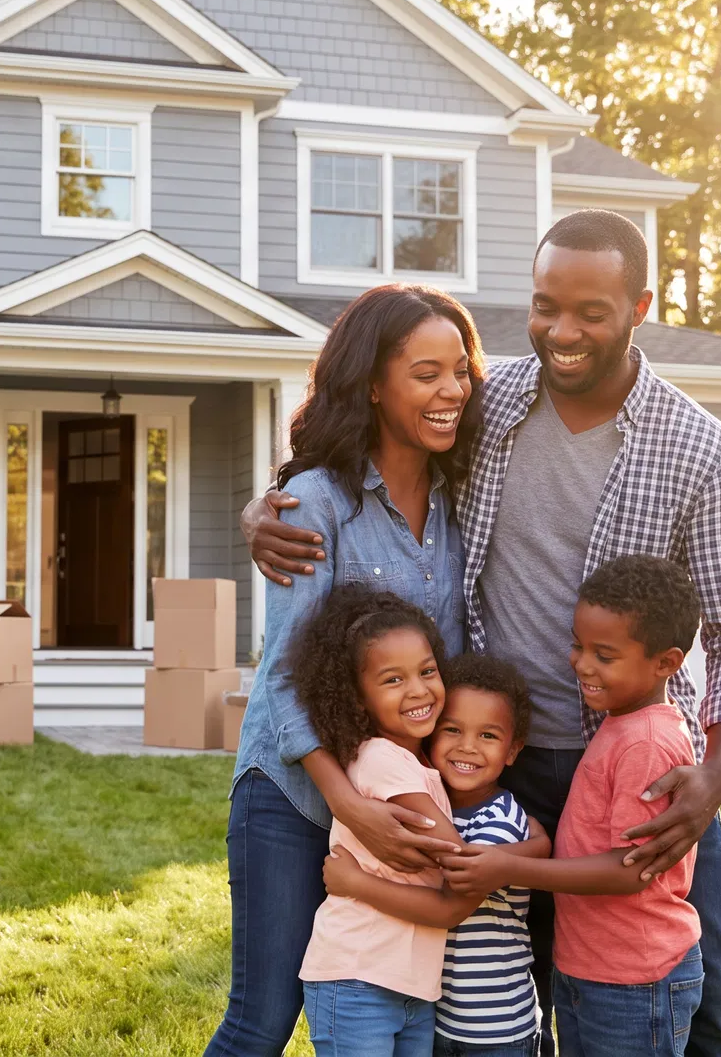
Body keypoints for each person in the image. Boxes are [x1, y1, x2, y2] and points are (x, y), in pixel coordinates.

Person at [242, 210, 721, 1057]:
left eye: (590, 313)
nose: (562, 331)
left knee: (701, 999)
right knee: (496, 1000)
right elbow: (373, 433)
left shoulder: (701, 450)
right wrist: (265, 509)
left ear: (639, 307)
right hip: (497, 765)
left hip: (636, 772)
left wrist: (715, 773)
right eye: (544, 306)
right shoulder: (488, 405)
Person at [207, 283, 489, 1057]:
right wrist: (349, 806)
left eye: (460, 370)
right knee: (263, 1016)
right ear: (372, 383)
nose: (451, 391)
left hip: (397, 800)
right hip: (296, 796)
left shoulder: (461, 505)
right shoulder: (317, 502)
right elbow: (286, 677)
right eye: (426, 373)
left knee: (385, 1004)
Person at [444, 556, 710, 1057]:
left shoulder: (646, 742)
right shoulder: (619, 721)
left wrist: (511, 866)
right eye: (577, 645)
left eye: (604, 655)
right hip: (589, 968)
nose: (582, 664)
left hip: (634, 978)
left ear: (666, 663)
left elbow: (630, 870)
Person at [324, 654, 551, 1057]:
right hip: (438, 1018)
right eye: (453, 730)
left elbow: (450, 904)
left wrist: (357, 883)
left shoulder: (499, 821)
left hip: (494, 1030)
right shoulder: (435, 803)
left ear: (513, 750)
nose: (467, 746)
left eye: (488, 736)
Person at [289, 586, 462, 1056]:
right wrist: (532, 848)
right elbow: (461, 871)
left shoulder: (418, 764)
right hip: (357, 978)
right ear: (357, 699)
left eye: (427, 671)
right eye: (393, 680)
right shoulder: (384, 760)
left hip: (411, 986)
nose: (419, 690)